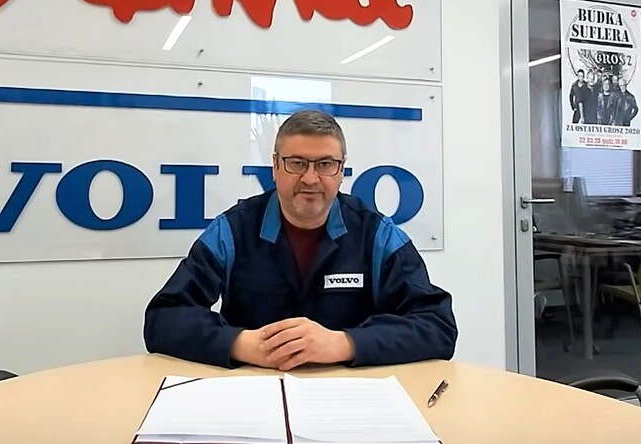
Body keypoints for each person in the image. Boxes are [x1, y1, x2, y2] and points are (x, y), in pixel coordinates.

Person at [143, 110, 457, 370]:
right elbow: (163, 319)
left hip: (353, 398)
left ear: (341, 170)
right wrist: (241, 343)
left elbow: (438, 326)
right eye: (296, 163)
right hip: (251, 392)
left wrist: (345, 343)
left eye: (325, 164)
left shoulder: (377, 235)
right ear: (275, 167)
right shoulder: (232, 230)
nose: (310, 178)